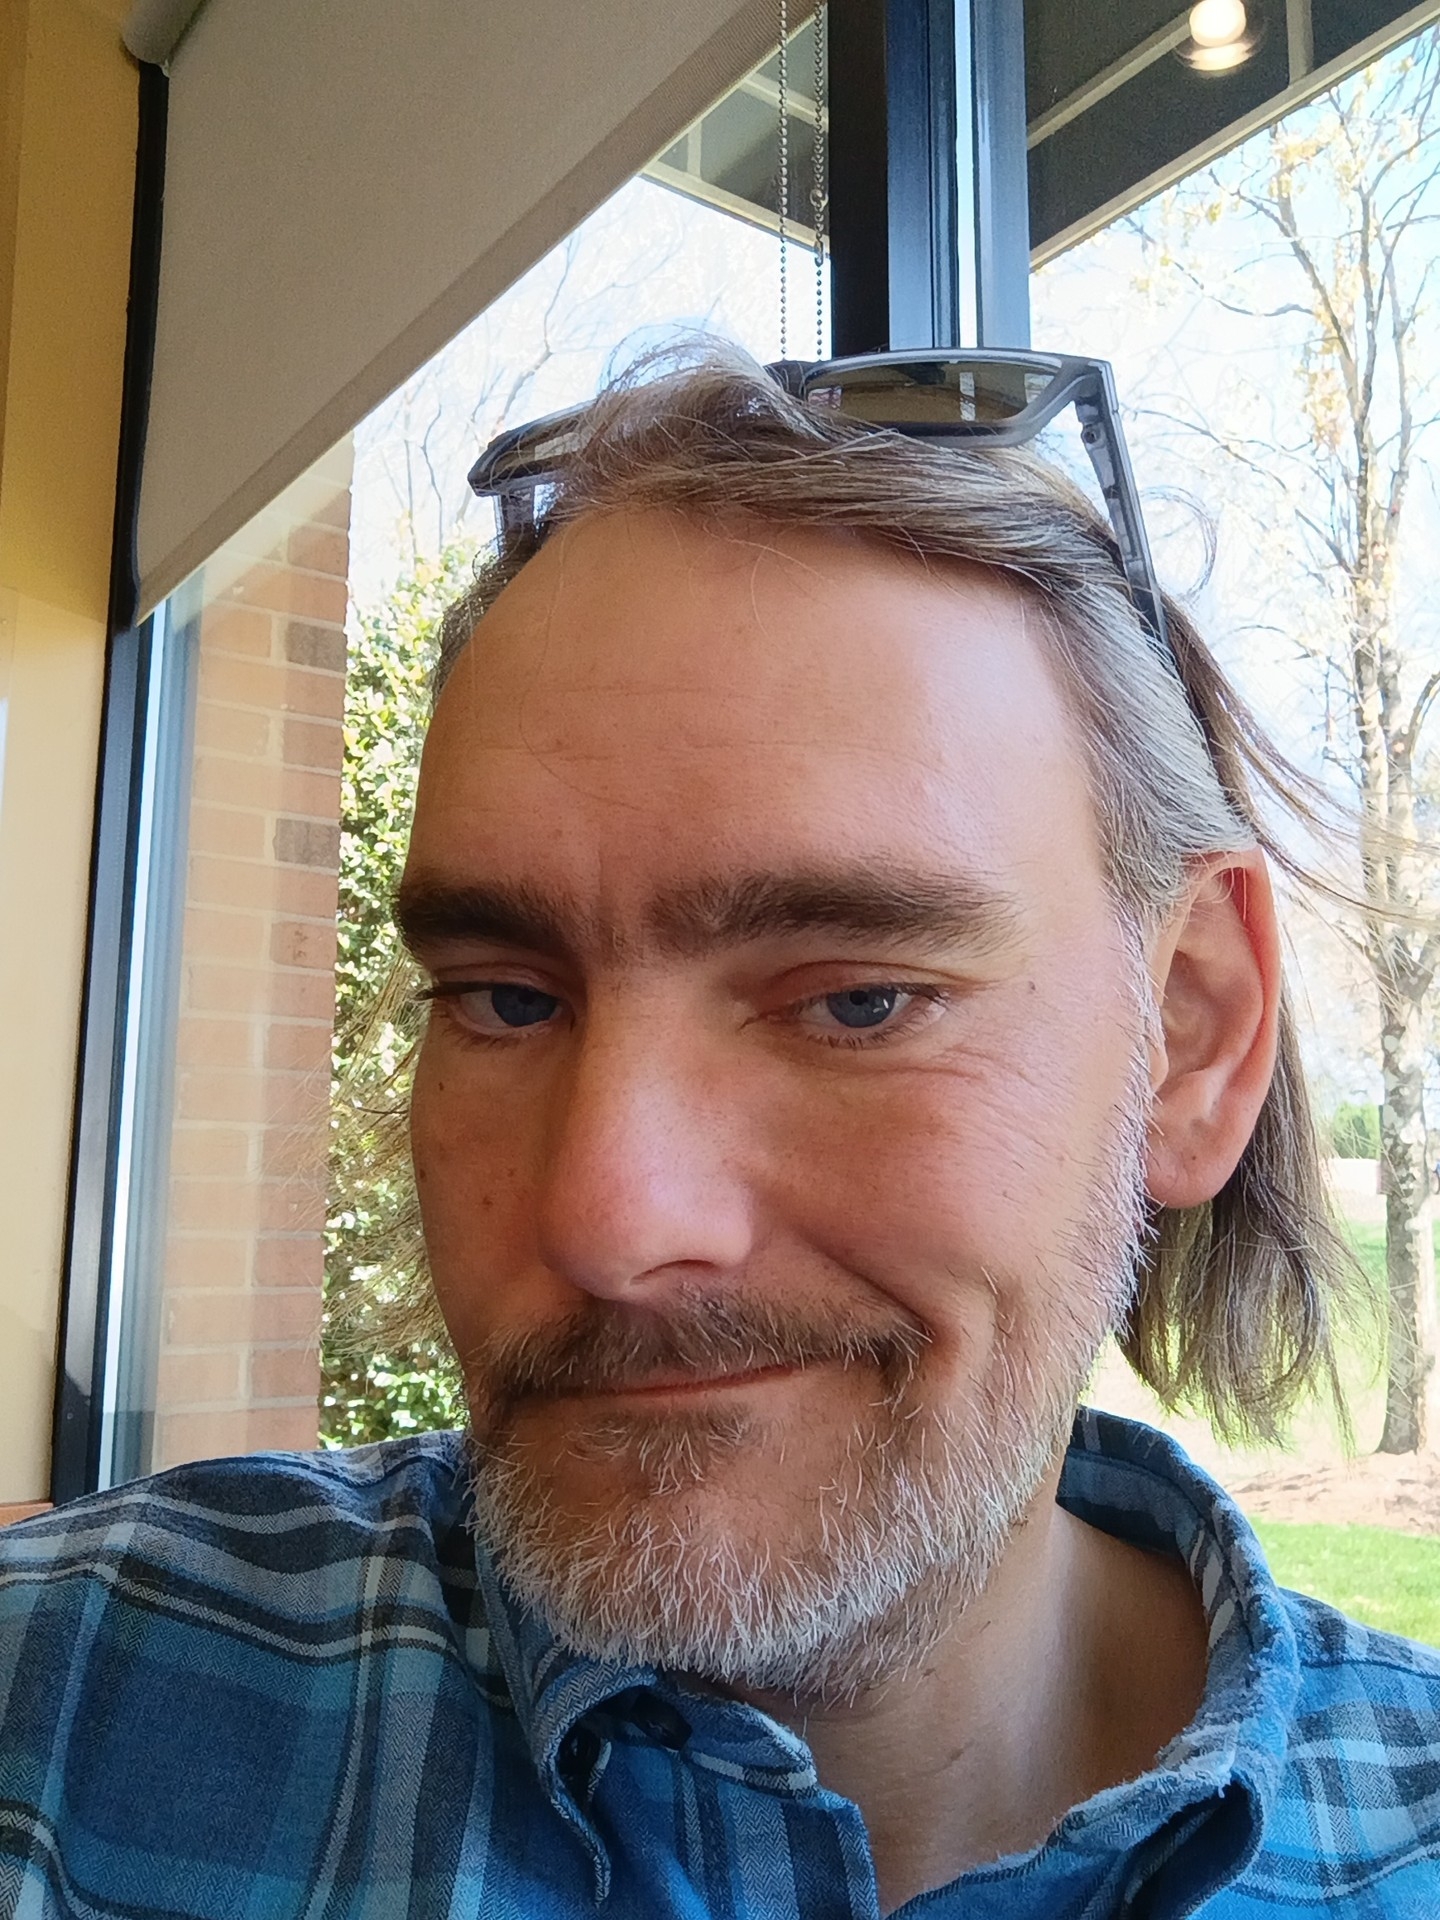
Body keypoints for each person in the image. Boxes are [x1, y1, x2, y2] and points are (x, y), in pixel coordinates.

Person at [3, 350, 1438, 1919]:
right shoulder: (54, 1719)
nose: (607, 1220)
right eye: (505, 999)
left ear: (1193, 1039)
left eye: (859, 1003)